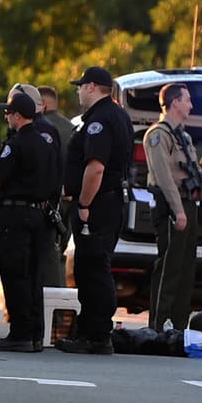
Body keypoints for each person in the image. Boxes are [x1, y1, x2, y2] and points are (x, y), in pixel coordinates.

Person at [55, 66, 133, 355]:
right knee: (92, 267)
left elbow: (96, 167)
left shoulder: (100, 119)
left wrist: (85, 204)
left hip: (97, 205)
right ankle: (91, 331)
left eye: (80, 86)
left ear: (91, 86)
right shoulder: (118, 115)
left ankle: (96, 334)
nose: (77, 91)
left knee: (92, 269)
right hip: (109, 203)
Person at [0, 91, 54, 352]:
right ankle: (36, 334)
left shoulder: (14, 144)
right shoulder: (45, 142)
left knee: (15, 274)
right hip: (39, 214)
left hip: (14, 214)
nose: (6, 116)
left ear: (17, 115)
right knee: (34, 274)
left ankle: (20, 333)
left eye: (8, 112)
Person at [143, 82, 200, 331]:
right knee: (168, 268)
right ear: (174, 102)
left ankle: (178, 326)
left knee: (186, 269)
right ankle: (158, 325)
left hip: (188, 205)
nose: (191, 105)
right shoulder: (158, 135)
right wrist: (178, 210)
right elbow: (165, 176)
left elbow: (195, 171)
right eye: (187, 99)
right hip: (170, 207)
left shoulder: (184, 137)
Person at [10, 83, 66, 288]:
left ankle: (51, 316)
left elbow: (46, 173)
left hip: (38, 209)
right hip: (34, 209)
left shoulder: (42, 130)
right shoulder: (25, 130)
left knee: (43, 266)